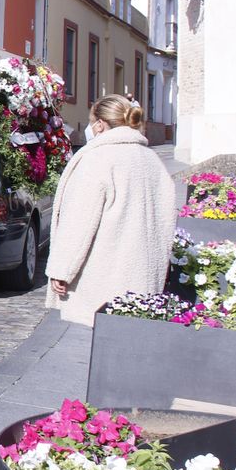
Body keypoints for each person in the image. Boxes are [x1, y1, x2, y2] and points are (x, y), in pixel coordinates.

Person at [45, 94, 175, 326]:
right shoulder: (151, 159)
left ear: (100, 124)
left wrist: (62, 269)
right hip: (143, 277)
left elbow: (79, 220)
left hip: (104, 275)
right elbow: (166, 219)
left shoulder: (97, 158)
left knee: (98, 344)